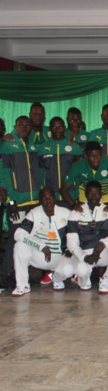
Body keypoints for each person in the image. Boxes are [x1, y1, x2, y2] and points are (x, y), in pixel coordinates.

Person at [11, 188, 77, 296]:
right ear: (40, 200)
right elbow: (18, 234)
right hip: (40, 255)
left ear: (55, 199)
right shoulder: (34, 213)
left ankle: (56, 278)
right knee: (19, 246)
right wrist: (41, 246)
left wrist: (70, 249)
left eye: (50, 197)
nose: (48, 200)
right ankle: (22, 285)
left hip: (60, 256)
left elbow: (77, 233)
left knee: (68, 269)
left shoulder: (66, 213)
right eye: (44, 198)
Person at [0, 116, 41, 289]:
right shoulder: (8, 146)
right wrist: (10, 201)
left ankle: (25, 275)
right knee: (15, 239)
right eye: (21, 125)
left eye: (27, 125)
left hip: (35, 203)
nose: (24, 127)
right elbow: (4, 172)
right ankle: (5, 274)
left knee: (32, 239)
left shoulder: (33, 147)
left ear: (31, 128)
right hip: (18, 203)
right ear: (15, 126)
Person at [66, 181, 108, 293]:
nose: (94, 197)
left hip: (103, 251)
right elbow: (71, 242)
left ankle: (106, 279)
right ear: (85, 194)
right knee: (81, 270)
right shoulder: (76, 212)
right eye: (91, 194)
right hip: (85, 253)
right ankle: (84, 279)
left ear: (101, 194)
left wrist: (103, 244)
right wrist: (84, 257)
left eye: (97, 194)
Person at [60, 141, 108, 212]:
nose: (96, 159)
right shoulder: (78, 166)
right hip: (84, 203)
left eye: (98, 155)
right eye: (92, 156)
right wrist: (73, 205)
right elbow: (63, 189)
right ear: (86, 155)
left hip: (106, 202)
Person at [37, 116, 83, 205]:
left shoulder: (75, 148)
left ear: (64, 128)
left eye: (60, 127)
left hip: (71, 195)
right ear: (50, 129)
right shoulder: (42, 148)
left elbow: (80, 173)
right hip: (50, 197)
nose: (57, 130)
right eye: (54, 127)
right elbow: (40, 173)